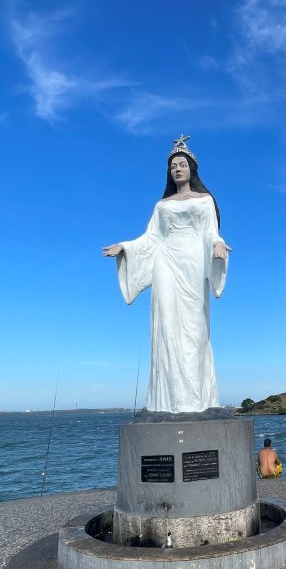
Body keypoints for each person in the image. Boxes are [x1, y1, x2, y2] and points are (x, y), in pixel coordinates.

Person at [102, 135, 232, 414]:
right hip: (166, 261)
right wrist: (124, 247)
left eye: (182, 164)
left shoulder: (205, 200)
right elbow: (150, 239)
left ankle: (197, 400)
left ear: (192, 169)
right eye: (173, 165)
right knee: (167, 326)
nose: (177, 169)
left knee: (194, 329)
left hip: (193, 263)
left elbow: (211, 232)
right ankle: (168, 401)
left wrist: (218, 245)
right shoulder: (161, 205)